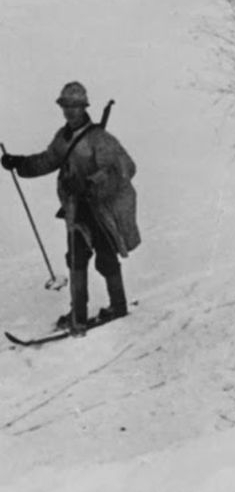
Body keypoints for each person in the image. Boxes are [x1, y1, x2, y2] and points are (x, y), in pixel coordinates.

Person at [1, 82, 140, 334]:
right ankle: (79, 314)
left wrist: (90, 183)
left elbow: (124, 168)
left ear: (84, 107)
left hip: (100, 208)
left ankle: (118, 306)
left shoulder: (99, 138)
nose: (69, 112)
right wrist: (20, 164)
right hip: (76, 208)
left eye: (74, 107)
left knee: (106, 256)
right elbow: (48, 160)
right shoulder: (63, 137)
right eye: (65, 106)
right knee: (76, 258)